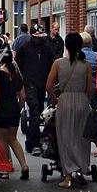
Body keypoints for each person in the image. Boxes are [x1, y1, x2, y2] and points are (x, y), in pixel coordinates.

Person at [45, 32, 93, 188]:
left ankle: (67, 176)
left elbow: (48, 86)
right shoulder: (86, 65)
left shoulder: (58, 63)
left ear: (66, 46)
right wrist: (86, 101)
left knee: (65, 138)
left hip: (64, 101)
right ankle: (81, 169)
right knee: (82, 138)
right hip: (81, 102)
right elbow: (90, 89)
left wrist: (54, 98)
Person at [14, 27, 55, 156]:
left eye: (40, 37)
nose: (38, 39)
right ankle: (34, 142)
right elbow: (17, 65)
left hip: (41, 84)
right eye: (36, 37)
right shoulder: (25, 48)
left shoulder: (47, 49)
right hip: (29, 83)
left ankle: (32, 142)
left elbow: (51, 65)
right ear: (32, 36)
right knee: (35, 110)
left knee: (38, 112)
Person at [0, 49, 29, 180]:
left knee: (2, 140)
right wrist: (18, 109)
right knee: (13, 139)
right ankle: (24, 166)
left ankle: (5, 170)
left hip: (1, 110)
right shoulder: (16, 75)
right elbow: (22, 96)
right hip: (13, 110)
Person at [80, 31, 97, 157]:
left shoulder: (78, 55)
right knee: (95, 117)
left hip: (83, 90)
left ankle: (83, 142)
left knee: (82, 117)